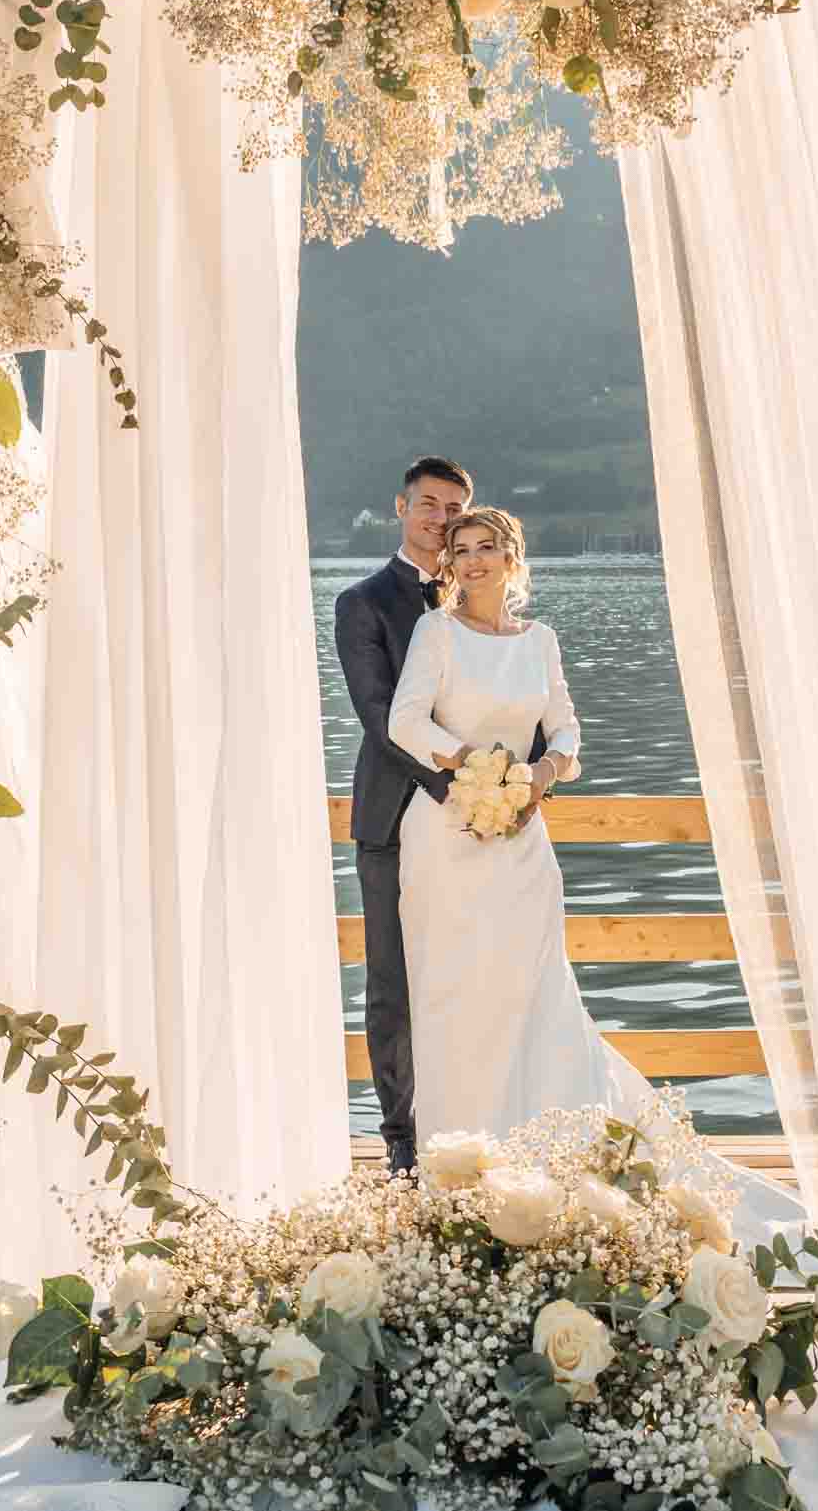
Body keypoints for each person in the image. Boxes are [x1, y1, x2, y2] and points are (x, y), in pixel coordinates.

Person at [388, 506, 802, 1239]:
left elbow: (570, 730)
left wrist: (542, 771)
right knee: (455, 999)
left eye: (488, 547)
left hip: (521, 839)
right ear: (449, 564)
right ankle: (459, 1176)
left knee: (537, 993)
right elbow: (405, 722)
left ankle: (549, 1166)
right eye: (462, 549)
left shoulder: (539, 639)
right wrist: (473, 764)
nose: (475, 560)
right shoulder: (436, 632)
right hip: (448, 838)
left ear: (512, 559)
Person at [331, 455, 473, 1174]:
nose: (439, 517)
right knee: (392, 984)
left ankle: (469, 1124)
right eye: (428, 503)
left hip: (473, 828)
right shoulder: (362, 603)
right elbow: (380, 716)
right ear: (402, 506)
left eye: (452, 507)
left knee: (465, 973)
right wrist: (460, 783)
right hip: (392, 818)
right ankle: (400, 1143)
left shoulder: (475, 603)